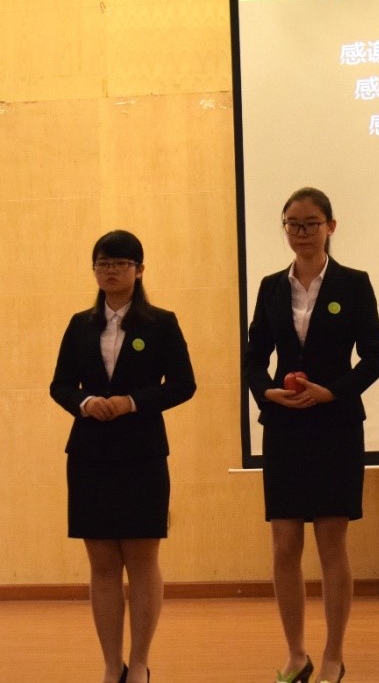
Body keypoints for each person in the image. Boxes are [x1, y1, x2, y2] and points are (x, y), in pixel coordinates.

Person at [244, 187, 379, 683]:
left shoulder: (353, 283)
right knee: (284, 544)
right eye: (293, 224)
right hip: (285, 427)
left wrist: (334, 392)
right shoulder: (270, 286)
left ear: (331, 226)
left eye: (311, 223)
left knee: (331, 544)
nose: (301, 233)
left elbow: (375, 357)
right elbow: (253, 356)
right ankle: (295, 653)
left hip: (335, 426)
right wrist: (266, 391)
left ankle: (333, 655)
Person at [50, 230, 196, 683]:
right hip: (89, 454)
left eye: (120, 263)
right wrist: (84, 402)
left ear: (139, 269)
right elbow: (60, 385)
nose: (110, 270)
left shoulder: (161, 323)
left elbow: (184, 384)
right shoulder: (80, 324)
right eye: (102, 263)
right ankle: (112, 665)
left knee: (142, 560)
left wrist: (132, 402)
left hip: (142, 454)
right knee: (102, 564)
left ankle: (140, 663)